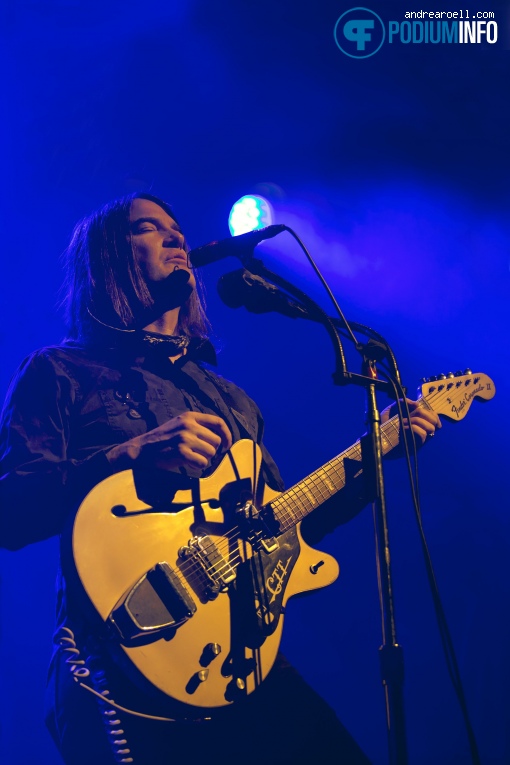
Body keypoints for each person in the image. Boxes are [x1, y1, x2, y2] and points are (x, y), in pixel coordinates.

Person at [0, 193, 441, 765]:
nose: (175, 238)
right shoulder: (59, 371)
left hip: (242, 661)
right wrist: (132, 453)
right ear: (108, 257)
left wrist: (379, 452)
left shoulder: (229, 398)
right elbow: (11, 511)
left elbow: (285, 524)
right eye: (147, 229)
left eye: (177, 230)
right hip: (120, 662)